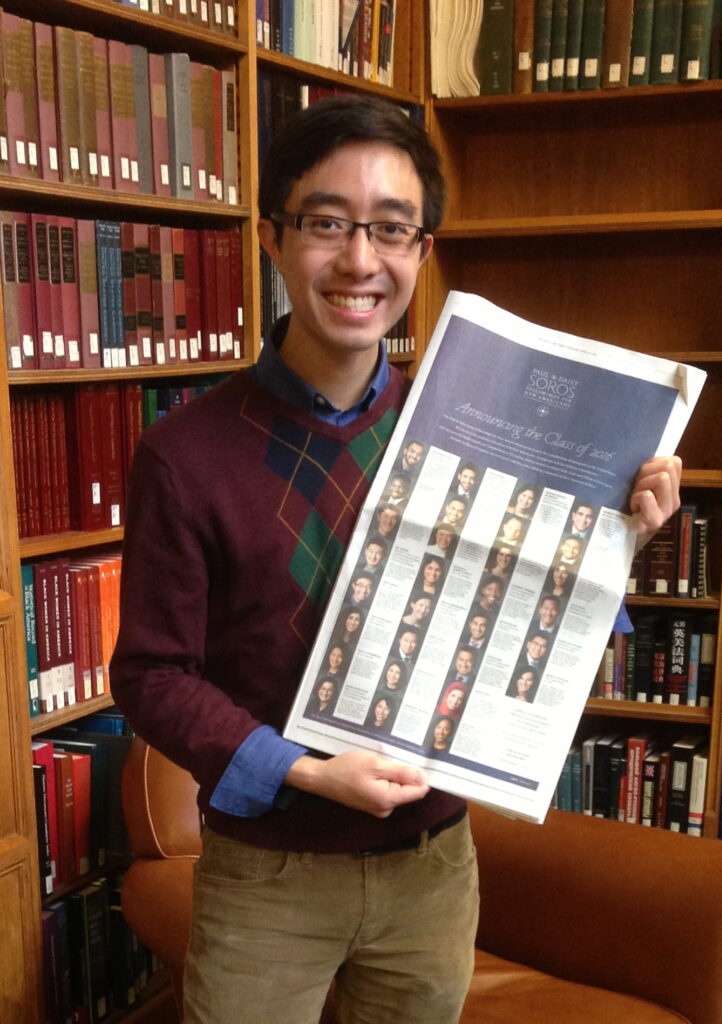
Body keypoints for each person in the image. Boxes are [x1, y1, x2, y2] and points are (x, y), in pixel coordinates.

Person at [109, 92, 683, 1023]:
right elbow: (151, 674)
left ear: (422, 250)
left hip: (433, 867)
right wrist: (298, 768)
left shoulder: (468, 431)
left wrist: (613, 548)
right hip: (269, 875)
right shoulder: (185, 453)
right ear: (273, 236)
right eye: (328, 223)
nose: (360, 260)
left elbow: (526, 630)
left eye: (391, 229)